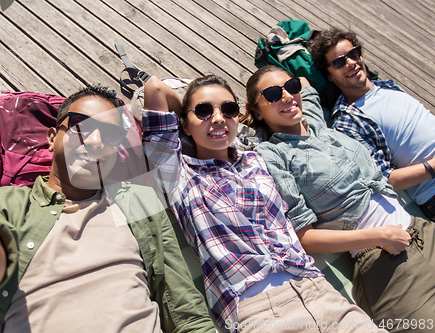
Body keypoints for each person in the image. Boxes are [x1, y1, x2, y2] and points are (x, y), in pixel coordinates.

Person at [0, 82, 216, 333]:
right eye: (81, 126)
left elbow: (184, 307)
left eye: (110, 134)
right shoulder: (5, 204)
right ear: (51, 137)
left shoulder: (139, 200)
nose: (95, 141)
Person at [142, 74, 386, 333]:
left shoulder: (256, 160)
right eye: (204, 111)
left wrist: (197, 117)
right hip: (259, 312)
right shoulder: (177, 173)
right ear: (184, 126)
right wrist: (188, 114)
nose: (217, 118)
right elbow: (154, 86)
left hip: (318, 290)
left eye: (228, 109)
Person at [243, 64, 435, 333]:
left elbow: (305, 82)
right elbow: (305, 238)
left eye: (291, 88)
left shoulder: (316, 123)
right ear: (256, 112)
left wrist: (292, 86)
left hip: (422, 230)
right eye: (273, 94)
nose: (287, 96)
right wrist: (380, 237)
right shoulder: (272, 154)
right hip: (386, 259)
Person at [309, 27, 435, 221]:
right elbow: (383, 180)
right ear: (329, 75)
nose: (351, 63)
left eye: (354, 54)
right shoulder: (349, 122)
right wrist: (432, 167)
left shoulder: (388, 86)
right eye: (339, 62)